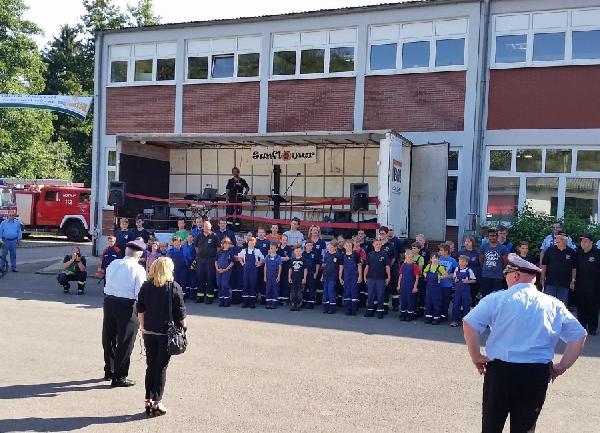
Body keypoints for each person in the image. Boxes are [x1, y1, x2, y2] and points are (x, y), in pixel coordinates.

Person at [463, 254, 586, 433]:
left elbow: (469, 324)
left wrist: (476, 356)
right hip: (536, 373)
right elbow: (579, 335)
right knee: (525, 428)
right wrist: (561, 367)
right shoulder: (554, 304)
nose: (505, 278)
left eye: (506, 274)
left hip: (500, 371)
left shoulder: (497, 298)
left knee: (491, 425)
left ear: (515, 275)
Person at [137, 257, 187, 416]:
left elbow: (140, 309)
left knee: (151, 366)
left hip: (149, 331)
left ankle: (148, 400)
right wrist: (184, 329)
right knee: (161, 368)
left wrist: (143, 327)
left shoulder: (146, 286)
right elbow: (181, 313)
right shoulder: (174, 287)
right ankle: (157, 402)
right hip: (166, 333)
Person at [102, 239, 147, 387]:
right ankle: (119, 377)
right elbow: (140, 293)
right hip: (127, 305)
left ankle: (109, 370)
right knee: (125, 341)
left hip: (109, 301)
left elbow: (107, 281)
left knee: (109, 337)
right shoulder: (138, 269)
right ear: (139, 254)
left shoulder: (114, 263)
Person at [540, 231, 576, 305]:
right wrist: (542, 278)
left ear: (566, 240)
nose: (557, 240)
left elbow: (574, 268)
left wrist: (573, 281)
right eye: (556, 238)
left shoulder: (571, 252)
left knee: (561, 307)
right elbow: (544, 265)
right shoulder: (550, 250)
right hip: (550, 283)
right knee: (548, 306)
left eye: (560, 239)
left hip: (564, 284)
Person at [575, 234, 600, 336]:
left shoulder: (597, 253)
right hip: (580, 286)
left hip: (594, 287)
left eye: (585, 241)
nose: (583, 243)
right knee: (581, 308)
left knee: (593, 308)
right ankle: (582, 327)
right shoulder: (578, 253)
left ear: (591, 242)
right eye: (582, 241)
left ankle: (592, 328)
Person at [364, 238, 391, 319]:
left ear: (381, 245)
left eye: (379, 244)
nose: (378, 245)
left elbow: (387, 267)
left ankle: (380, 311)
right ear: (373, 245)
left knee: (380, 295)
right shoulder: (370, 254)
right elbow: (367, 266)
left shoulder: (384, 254)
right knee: (370, 295)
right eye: (376, 244)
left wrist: (389, 277)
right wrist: (364, 276)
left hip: (381, 278)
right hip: (371, 278)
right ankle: (370, 310)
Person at [194, 221, 220, 304]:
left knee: (210, 278)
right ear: (203, 227)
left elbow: (218, 248)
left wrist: (213, 255)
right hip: (201, 260)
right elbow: (196, 247)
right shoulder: (199, 236)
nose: (206, 228)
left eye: (208, 227)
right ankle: (200, 297)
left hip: (210, 260)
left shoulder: (214, 236)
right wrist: (200, 254)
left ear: (210, 227)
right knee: (200, 278)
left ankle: (209, 297)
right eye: (205, 226)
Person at [479, 228, 509, 297]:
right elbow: (481, 260)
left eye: (494, 235)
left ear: (497, 236)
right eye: (490, 236)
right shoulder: (483, 247)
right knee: (485, 297)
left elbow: (505, 262)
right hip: (486, 276)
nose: (492, 237)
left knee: (497, 297)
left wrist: (500, 269)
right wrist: (485, 268)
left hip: (498, 277)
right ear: (488, 237)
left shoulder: (503, 248)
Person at [450, 255, 476, 327]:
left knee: (466, 306)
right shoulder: (456, 269)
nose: (461, 262)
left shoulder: (469, 270)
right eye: (460, 261)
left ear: (466, 263)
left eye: (463, 261)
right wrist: (455, 279)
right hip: (457, 290)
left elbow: (474, 280)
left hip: (465, 291)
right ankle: (455, 320)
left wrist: (467, 281)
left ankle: (465, 321)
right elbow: (454, 278)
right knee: (455, 305)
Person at [238, 236, 264, 308]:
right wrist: (242, 262)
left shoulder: (257, 251)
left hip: (254, 270)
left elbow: (262, 258)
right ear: (248, 243)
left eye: (252, 243)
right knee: (246, 284)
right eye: (250, 243)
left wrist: (259, 263)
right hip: (246, 270)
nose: (251, 244)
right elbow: (239, 256)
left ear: (254, 244)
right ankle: (245, 302)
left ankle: (252, 302)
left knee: (253, 285)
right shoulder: (244, 250)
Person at [423, 253, 446, 325]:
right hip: (429, 288)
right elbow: (424, 272)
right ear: (431, 259)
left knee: (436, 303)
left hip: (436, 288)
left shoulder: (440, 267)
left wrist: (440, 277)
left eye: (436, 258)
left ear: (439, 260)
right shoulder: (428, 266)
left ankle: (436, 318)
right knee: (428, 302)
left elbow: (446, 275)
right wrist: (425, 275)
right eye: (433, 258)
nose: (435, 259)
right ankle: (428, 317)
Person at [397, 249, 420, 321]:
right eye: (407, 257)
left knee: (410, 300)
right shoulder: (403, 265)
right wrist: (398, 285)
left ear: (413, 258)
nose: (409, 259)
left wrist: (415, 287)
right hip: (403, 285)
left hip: (410, 286)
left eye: (410, 257)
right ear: (405, 258)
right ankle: (403, 313)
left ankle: (410, 314)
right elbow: (400, 276)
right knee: (403, 300)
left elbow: (417, 278)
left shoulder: (415, 266)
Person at [458, 235, 481, 306]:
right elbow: (457, 264)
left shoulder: (477, 252)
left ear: (473, 243)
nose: (467, 243)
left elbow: (481, 264)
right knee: (462, 296)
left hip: (474, 279)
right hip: (463, 278)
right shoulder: (461, 252)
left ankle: (472, 308)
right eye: (466, 241)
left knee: (472, 296)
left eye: (469, 241)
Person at [341, 239, 362, 316]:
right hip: (346, 276)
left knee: (354, 291)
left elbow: (359, 266)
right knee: (346, 292)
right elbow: (341, 267)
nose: (348, 247)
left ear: (352, 246)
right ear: (344, 246)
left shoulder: (356, 255)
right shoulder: (342, 255)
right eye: (347, 245)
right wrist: (340, 277)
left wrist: (360, 276)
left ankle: (354, 309)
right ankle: (348, 309)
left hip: (354, 276)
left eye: (350, 245)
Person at [438, 244, 458, 321]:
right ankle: (438, 314)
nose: (439, 252)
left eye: (441, 250)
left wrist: (449, 276)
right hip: (438, 283)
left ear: (446, 251)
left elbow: (458, 271)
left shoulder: (452, 260)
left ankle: (444, 314)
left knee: (445, 300)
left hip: (447, 284)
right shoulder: (438, 259)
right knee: (439, 299)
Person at [215, 237, 236, 307]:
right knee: (219, 285)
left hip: (226, 271)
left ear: (230, 245)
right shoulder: (219, 252)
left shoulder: (230, 252)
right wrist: (217, 268)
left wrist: (226, 269)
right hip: (219, 271)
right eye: (225, 243)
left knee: (224, 285)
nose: (226, 245)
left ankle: (227, 300)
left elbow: (232, 263)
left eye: (228, 243)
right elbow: (216, 261)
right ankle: (221, 300)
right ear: (222, 244)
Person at [302, 240, 321, 309]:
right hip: (303, 273)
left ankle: (311, 303)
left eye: (311, 245)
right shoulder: (303, 254)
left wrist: (316, 273)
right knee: (304, 288)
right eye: (308, 245)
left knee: (311, 288)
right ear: (305, 246)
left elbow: (317, 264)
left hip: (311, 273)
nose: (310, 246)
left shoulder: (315, 254)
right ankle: (304, 302)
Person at [264, 241, 283, 309]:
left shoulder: (278, 257)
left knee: (275, 289)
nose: (272, 249)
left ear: (276, 249)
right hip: (268, 275)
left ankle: (274, 303)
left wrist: (279, 276)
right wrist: (265, 276)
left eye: (274, 248)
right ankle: (268, 302)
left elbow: (280, 267)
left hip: (275, 275)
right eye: (271, 248)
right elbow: (265, 267)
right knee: (268, 288)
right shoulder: (267, 257)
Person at [288, 245, 307, 311]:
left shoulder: (303, 260)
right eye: (296, 251)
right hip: (293, 278)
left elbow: (305, 269)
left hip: (300, 279)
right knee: (293, 291)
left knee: (299, 291)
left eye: (299, 251)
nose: (298, 252)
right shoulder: (292, 259)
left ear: (302, 251)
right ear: (294, 252)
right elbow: (290, 269)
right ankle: (293, 304)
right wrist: (289, 277)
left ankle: (298, 304)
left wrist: (304, 278)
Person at [277, 234, 293, 305]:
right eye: (283, 240)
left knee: (285, 284)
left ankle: (285, 299)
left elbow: (288, 258)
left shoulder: (289, 248)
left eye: (286, 240)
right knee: (278, 282)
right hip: (278, 268)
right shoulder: (277, 248)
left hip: (286, 268)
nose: (284, 241)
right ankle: (279, 299)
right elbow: (275, 257)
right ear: (280, 240)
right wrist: (282, 258)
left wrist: (279, 258)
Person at [182, 234, 196, 298]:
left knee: (193, 280)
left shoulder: (194, 246)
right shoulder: (184, 246)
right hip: (185, 264)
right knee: (186, 279)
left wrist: (193, 264)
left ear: (193, 238)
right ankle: (187, 294)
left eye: (191, 237)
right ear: (186, 238)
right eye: (188, 237)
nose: (190, 238)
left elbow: (196, 256)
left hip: (192, 264)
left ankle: (193, 295)